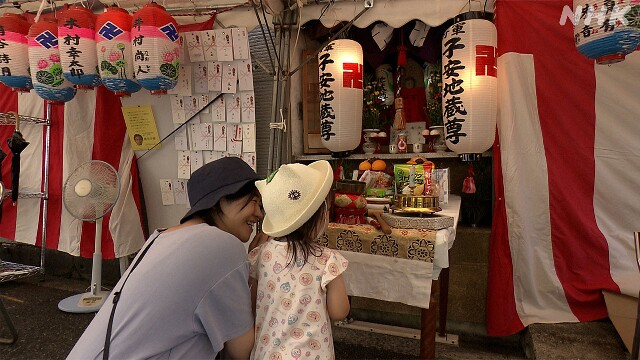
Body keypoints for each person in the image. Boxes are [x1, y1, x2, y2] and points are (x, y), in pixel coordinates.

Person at [67, 157, 264, 360]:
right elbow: (243, 352)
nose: (259, 213)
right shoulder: (222, 246)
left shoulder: (163, 237)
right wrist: (259, 268)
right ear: (222, 199)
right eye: (254, 202)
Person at [248, 160, 350, 359]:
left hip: (267, 353)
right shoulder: (327, 260)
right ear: (319, 214)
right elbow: (339, 311)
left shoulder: (260, 255)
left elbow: (253, 306)